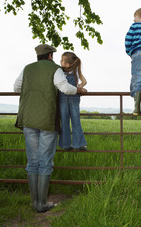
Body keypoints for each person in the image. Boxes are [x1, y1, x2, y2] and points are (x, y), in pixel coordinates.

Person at [14, 44, 87, 213]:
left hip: (28, 118)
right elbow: (66, 88)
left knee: (32, 162)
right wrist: (79, 90)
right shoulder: (55, 69)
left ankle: (34, 203)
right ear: (50, 56)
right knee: (45, 161)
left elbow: (16, 88)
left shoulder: (27, 69)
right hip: (47, 120)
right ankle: (42, 204)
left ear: (38, 56)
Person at [58, 52, 87, 151]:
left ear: (67, 64)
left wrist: (80, 86)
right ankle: (68, 145)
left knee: (75, 121)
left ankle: (77, 145)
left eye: (62, 60)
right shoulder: (60, 72)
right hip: (65, 99)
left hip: (70, 99)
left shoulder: (76, 72)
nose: (60, 62)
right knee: (65, 122)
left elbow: (84, 81)